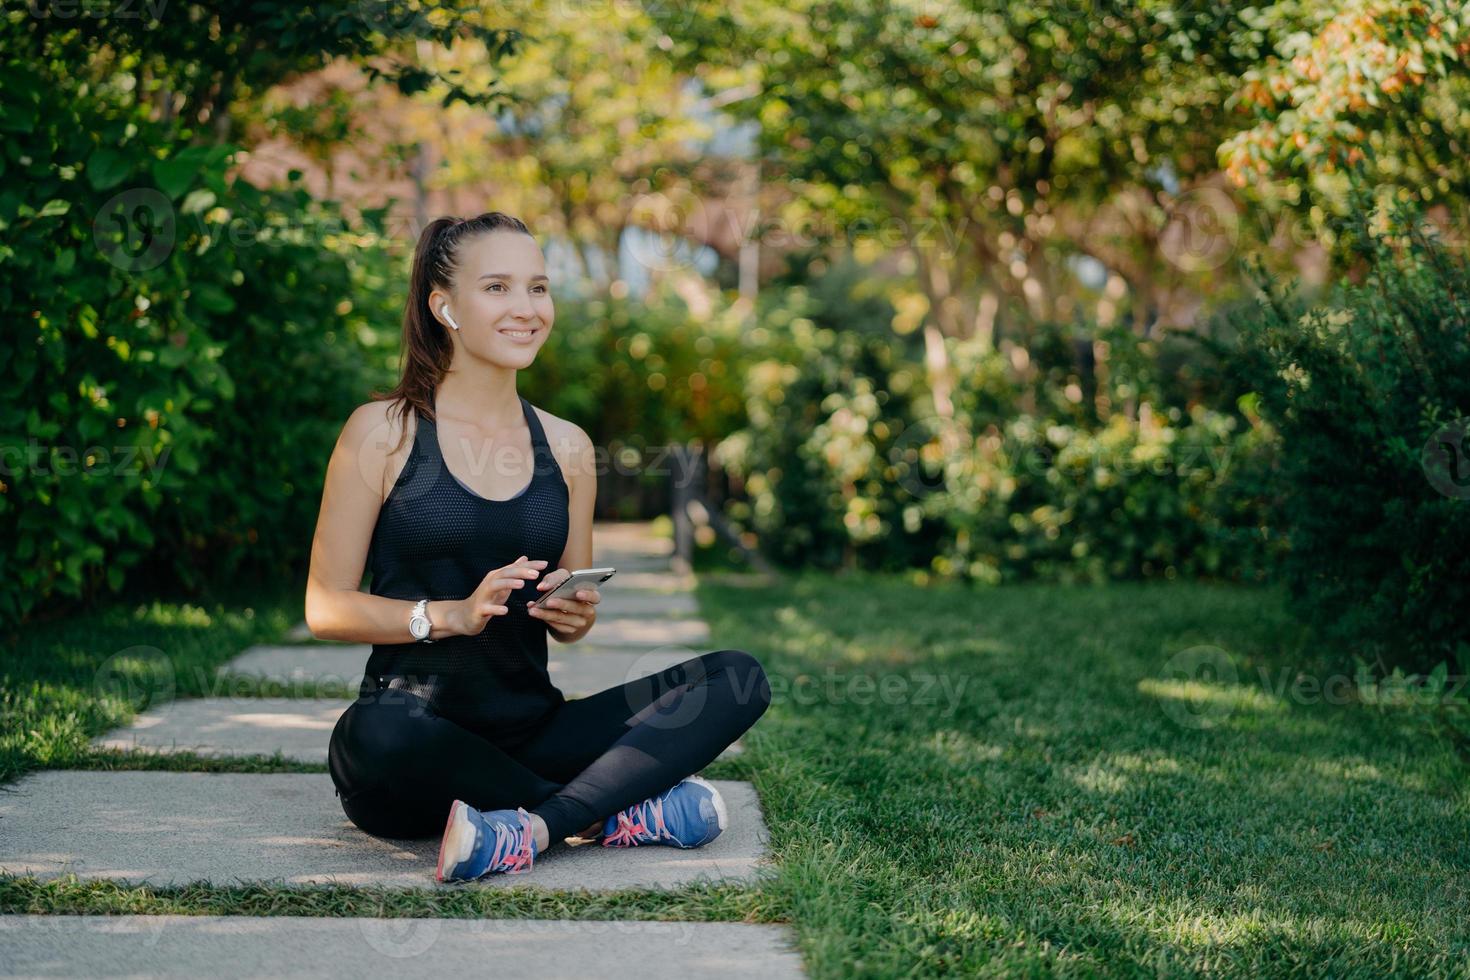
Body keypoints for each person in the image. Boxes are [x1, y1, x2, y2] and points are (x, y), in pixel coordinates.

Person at [303, 211, 772, 881]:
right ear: (445, 306)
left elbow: (574, 607)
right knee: (372, 734)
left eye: (539, 288)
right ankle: (607, 813)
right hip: (417, 736)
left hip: (535, 733)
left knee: (738, 676)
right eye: (497, 288)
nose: (526, 308)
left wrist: (575, 615)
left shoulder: (568, 445)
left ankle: (534, 827)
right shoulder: (382, 432)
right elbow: (325, 607)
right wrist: (447, 615)